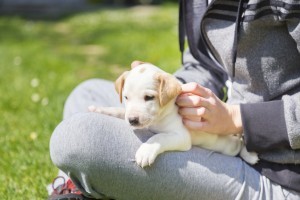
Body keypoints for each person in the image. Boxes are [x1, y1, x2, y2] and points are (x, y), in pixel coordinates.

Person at [48, 0, 300, 199]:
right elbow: (205, 64)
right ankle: (80, 186)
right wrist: (169, 89)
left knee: (77, 138)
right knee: (87, 93)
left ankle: (85, 185)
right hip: (211, 139)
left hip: (276, 173)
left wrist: (237, 118)